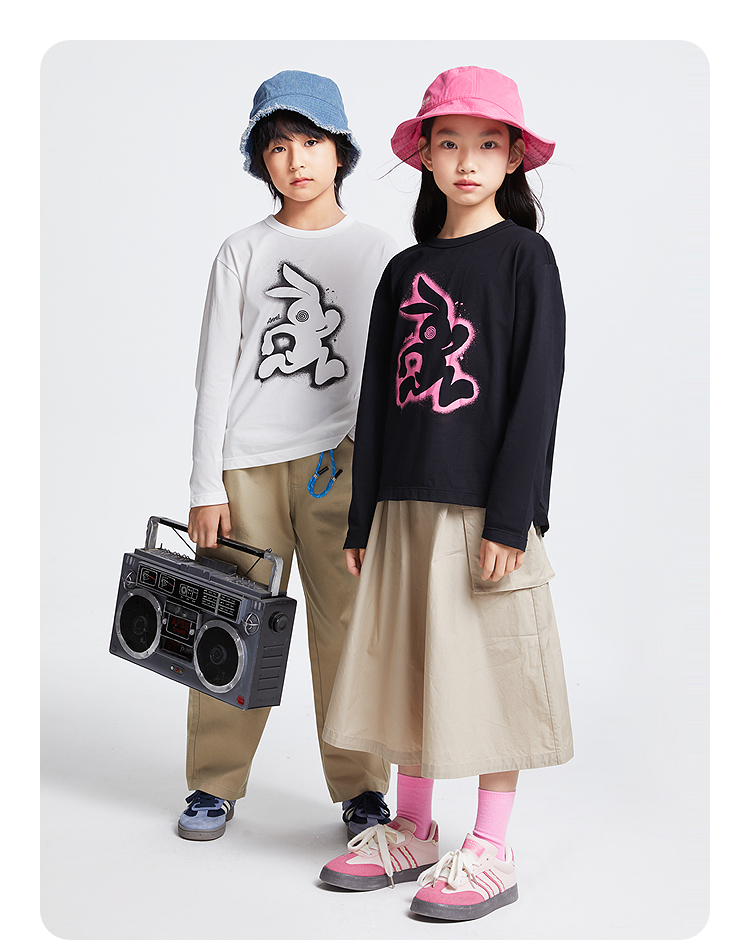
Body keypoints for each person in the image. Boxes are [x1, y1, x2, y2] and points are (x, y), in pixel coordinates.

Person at [318, 66, 573, 921]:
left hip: (481, 511)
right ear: (425, 156)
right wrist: (362, 516)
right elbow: (375, 402)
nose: (467, 161)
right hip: (402, 507)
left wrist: (512, 516)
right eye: (450, 143)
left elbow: (537, 394)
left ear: (512, 159)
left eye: (487, 145)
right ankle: (414, 828)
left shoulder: (525, 259)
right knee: (408, 666)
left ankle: (490, 848)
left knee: (493, 673)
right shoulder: (406, 270)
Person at [180, 70, 396, 843]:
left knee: (351, 630)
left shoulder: (378, 252)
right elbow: (213, 373)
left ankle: (363, 789)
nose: (296, 159)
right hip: (248, 466)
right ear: (260, 161)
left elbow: (387, 374)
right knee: (234, 621)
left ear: (340, 151)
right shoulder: (241, 250)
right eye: (277, 146)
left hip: (342, 465)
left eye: (311, 141)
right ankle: (213, 782)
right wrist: (205, 483)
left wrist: (382, 478)